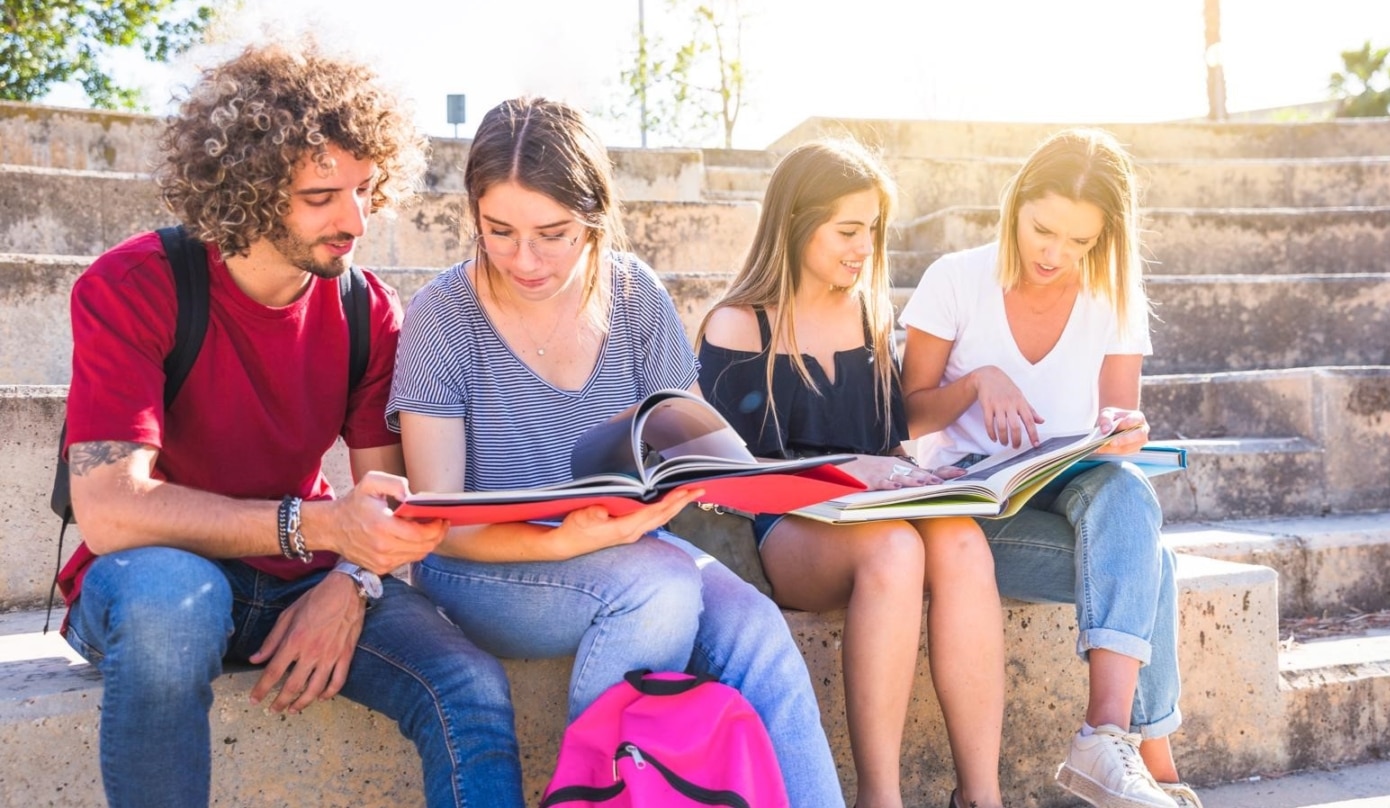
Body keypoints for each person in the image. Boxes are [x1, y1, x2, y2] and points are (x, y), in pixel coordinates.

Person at [58, 43, 523, 808]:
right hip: (153, 576)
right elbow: (110, 510)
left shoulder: (366, 310)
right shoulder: (131, 286)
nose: (356, 218)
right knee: (171, 612)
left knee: (468, 682)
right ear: (246, 187)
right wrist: (322, 530)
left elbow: (385, 502)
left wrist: (351, 580)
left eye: (367, 188)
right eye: (320, 195)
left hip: (302, 577)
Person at [386, 96, 845, 807]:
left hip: (631, 544)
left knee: (754, 626)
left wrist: (748, 479)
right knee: (658, 592)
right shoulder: (441, 315)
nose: (524, 259)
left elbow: (691, 436)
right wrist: (565, 540)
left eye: (553, 233)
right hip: (488, 567)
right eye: (498, 231)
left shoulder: (636, 296)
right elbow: (445, 528)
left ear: (594, 215)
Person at [696, 140, 1007, 808]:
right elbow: (731, 475)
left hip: (867, 517)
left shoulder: (868, 314)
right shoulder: (739, 322)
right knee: (896, 550)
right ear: (797, 223)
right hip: (781, 529)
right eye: (847, 230)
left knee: (959, 538)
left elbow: (889, 438)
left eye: (872, 229)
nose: (864, 246)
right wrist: (846, 468)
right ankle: (879, 798)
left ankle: (982, 797)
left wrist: (955, 421)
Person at [899, 128, 1202, 808]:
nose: (1056, 254)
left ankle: (1104, 733)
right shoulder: (955, 278)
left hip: (1069, 494)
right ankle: (1155, 762)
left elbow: (1118, 420)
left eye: (1081, 242)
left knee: (1124, 490)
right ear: (1016, 203)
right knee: (1152, 563)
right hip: (969, 522)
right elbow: (906, 419)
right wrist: (978, 380)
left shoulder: (1112, 295)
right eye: (1044, 230)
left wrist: (1123, 432)